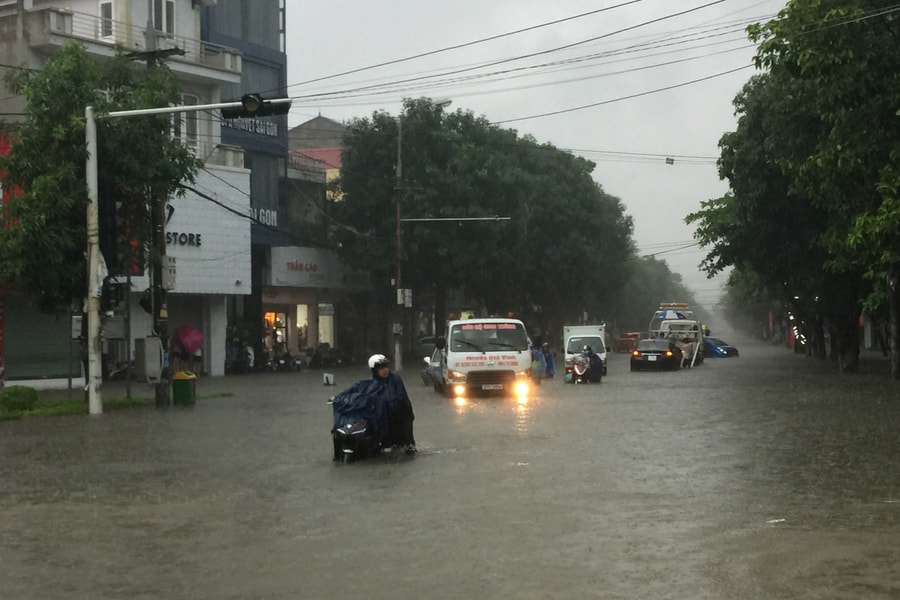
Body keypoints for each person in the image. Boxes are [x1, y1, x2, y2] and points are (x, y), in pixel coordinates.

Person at [335, 354, 416, 454]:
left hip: (400, 415)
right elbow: (353, 389)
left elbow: (400, 396)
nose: (385, 370)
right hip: (381, 415)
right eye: (381, 368)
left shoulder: (395, 379)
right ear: (374, 370)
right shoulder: (369, 383)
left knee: (404, 443)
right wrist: (338, 398)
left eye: (386, 367)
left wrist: (388, 404)